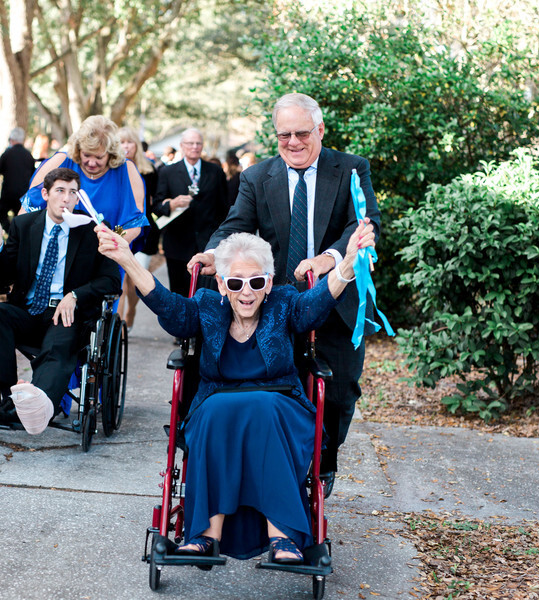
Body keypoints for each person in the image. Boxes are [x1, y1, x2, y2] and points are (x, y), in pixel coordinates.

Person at [96, 223, 374, 561]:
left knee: (263, 408)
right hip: (218, 406)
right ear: (222, 285)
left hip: (281, 406)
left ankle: (282, 536)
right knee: (214, 412)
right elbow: (168, 306)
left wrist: (346, 265)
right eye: (236, 282)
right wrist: (127, 260)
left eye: (256, 282)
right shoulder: (207, 307)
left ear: (269, 283)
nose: (246, 292)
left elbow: (317, 302)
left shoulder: (285, 304)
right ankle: (204, 536)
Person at [188, 93, 382, 499]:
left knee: (341, 390)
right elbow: (234, 225)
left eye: (301, 133)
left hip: (334, 300)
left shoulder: (350, 169)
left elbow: (363, 225)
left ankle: (324, 460)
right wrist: (213, 252)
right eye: (283, 135)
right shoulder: (259, 177)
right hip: (274, 306)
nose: (293, 142)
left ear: (320, 130)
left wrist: (329, 259)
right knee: (277, 388)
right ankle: (275, 471)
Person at [0, 168, 121, 425]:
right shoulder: (23, 225)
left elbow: (111, 280)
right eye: (59, 191)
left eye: (72, 192)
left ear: (78, 198)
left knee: (58, 340)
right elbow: (4, 280)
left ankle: (33, 407)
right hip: (28, 312)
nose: (66, 199)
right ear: (45, 194)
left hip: (65, 316)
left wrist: (75, 295)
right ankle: (4, 396)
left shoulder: (92, 229)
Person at [19, 115, 148, 245]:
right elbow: (27, 211)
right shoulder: (60, 161)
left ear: (111, 153)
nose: (91, 163)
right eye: (86, 155)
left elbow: (135, 221)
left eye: (99, 157)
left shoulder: (126, 170)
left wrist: (112, 244)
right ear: (78, 148)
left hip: (108, 253)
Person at [152, 128, 229, 298]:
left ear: (202, 146)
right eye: (190, 143)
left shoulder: (215, 172)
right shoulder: (168, 172)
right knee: (179, 297)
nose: (194, 147)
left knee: (208, 297)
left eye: (198, 143)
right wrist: (172, 204)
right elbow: (157, 207)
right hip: (177, 246)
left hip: (208, 246)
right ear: (181, 146)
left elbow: (225, 208)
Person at [117, 126, 160, 330]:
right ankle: (120, 326)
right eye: (122, 142)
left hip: (143, 232)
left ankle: (131, 311)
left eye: (129, 142)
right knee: (120, 282)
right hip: (119, 230)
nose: (126, 146)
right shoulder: (113, 170)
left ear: (137, 145)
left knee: (134, 282)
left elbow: (154, 202)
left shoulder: (149, 171)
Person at [0, 127, 37, 233]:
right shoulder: (28, 155)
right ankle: (17, 234)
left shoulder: (7, 153)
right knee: (20, 216)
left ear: (11, 140)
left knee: (1, 213)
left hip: (8, 192)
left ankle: (9, 232)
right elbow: (33, 173)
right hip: (23, 193)